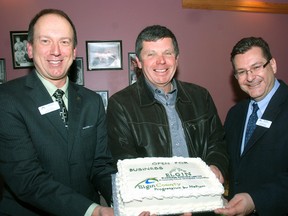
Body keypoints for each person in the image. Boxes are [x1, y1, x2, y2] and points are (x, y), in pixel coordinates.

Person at [0, 9, 116, 216]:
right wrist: (92, 211)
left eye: (64, 42)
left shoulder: (92, 101)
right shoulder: (7, 99)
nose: (56, 51)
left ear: (73, 51)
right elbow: (27, 179)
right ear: (29, 49)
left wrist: (124, 201)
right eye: (45, 41)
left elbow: (101, 165)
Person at [107, 25, 229, 216]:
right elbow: (124, 161)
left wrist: (216, 166)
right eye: (151, 54)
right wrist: (166, 203)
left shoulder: (201, 96)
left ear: (177, 59)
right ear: (138, 62)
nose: (161, 61)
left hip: (203, 204)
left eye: (167, 53)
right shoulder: (120, 104)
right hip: (155, 208)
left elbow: (217, 142)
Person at [215, 37, 288, 216]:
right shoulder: (235, 114)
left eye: (256, 67)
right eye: (241, 71)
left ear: (273, 64)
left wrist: (256, 200)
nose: (249, 77)